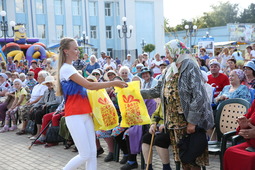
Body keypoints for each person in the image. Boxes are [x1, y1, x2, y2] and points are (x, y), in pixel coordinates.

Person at [141, 39, 214, 170]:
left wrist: (192, 121)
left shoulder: (189, 66)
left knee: (193, 159)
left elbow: (198, 96)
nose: (167, 55)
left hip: (187, 121)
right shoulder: (170, 69)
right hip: (173, 123)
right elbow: (158, 90)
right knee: (181, 157)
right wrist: (136, 93)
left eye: (168, 52)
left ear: (177, 51)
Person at [56, 37, 127, 170]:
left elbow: (91, 87)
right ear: (66, 51)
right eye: (75, 49)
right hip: (75, 115)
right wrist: (114, 83)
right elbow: (90, 85)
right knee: (84, 154)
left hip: (85, 114)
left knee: (92, 153)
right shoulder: (66, 69)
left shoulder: (70, 68)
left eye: (78, 49)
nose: (78, 52)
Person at [224, 100, 255, 170]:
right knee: (230, 152)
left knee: (251, 159)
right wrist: (244, 125)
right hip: (252, 145)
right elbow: (247, 118)